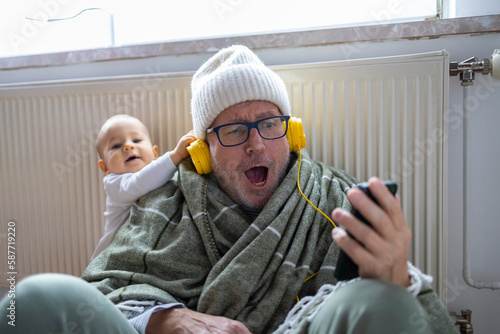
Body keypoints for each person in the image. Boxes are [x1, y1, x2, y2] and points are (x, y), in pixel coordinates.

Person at [0, 45, 458, 334]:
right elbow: (106, 288)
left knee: (380, 299)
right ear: (203, 151)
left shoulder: (333, 199)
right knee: (35, 300)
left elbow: (416, 319)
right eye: (234, 130)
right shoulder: (166, 202)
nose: (258, 143)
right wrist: (165, 319)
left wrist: (397, 279)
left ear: (292, 132)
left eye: (270, 124)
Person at [91, 114, 196, 259]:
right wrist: (176, 155)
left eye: (136, 140)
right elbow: (138, 183)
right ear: (105, 167)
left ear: (155, 153)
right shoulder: (114, 184)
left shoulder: (160, 175)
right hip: (115, 253)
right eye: (116, 145)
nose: (128, 146)